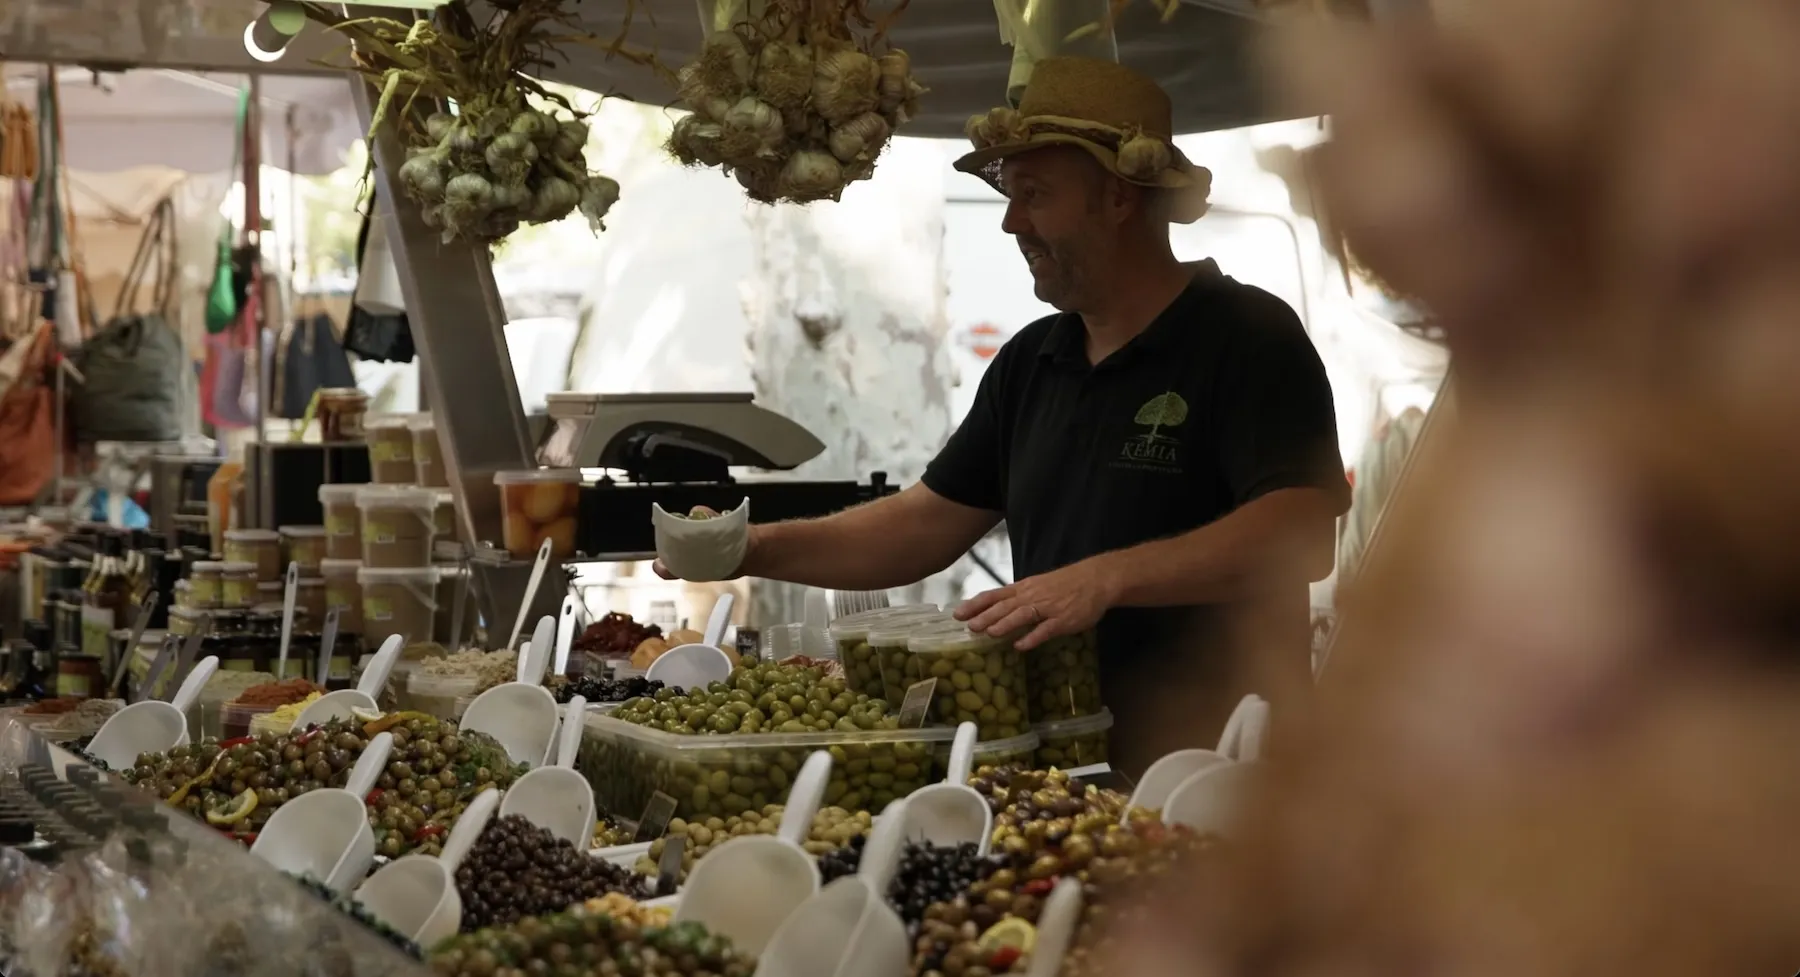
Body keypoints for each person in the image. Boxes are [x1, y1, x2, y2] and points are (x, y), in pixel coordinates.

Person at [658, 56, 1351, 774]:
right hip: (1069, 770)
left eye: (1035, 194)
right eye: (1010, 196)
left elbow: (1300, 535)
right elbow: (925, 524)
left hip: (1228, 778)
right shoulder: (1032, 360)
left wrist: (1104, 578)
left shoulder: (1246, 335)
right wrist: (750, 547)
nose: (1012, 222)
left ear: (1116, 198)